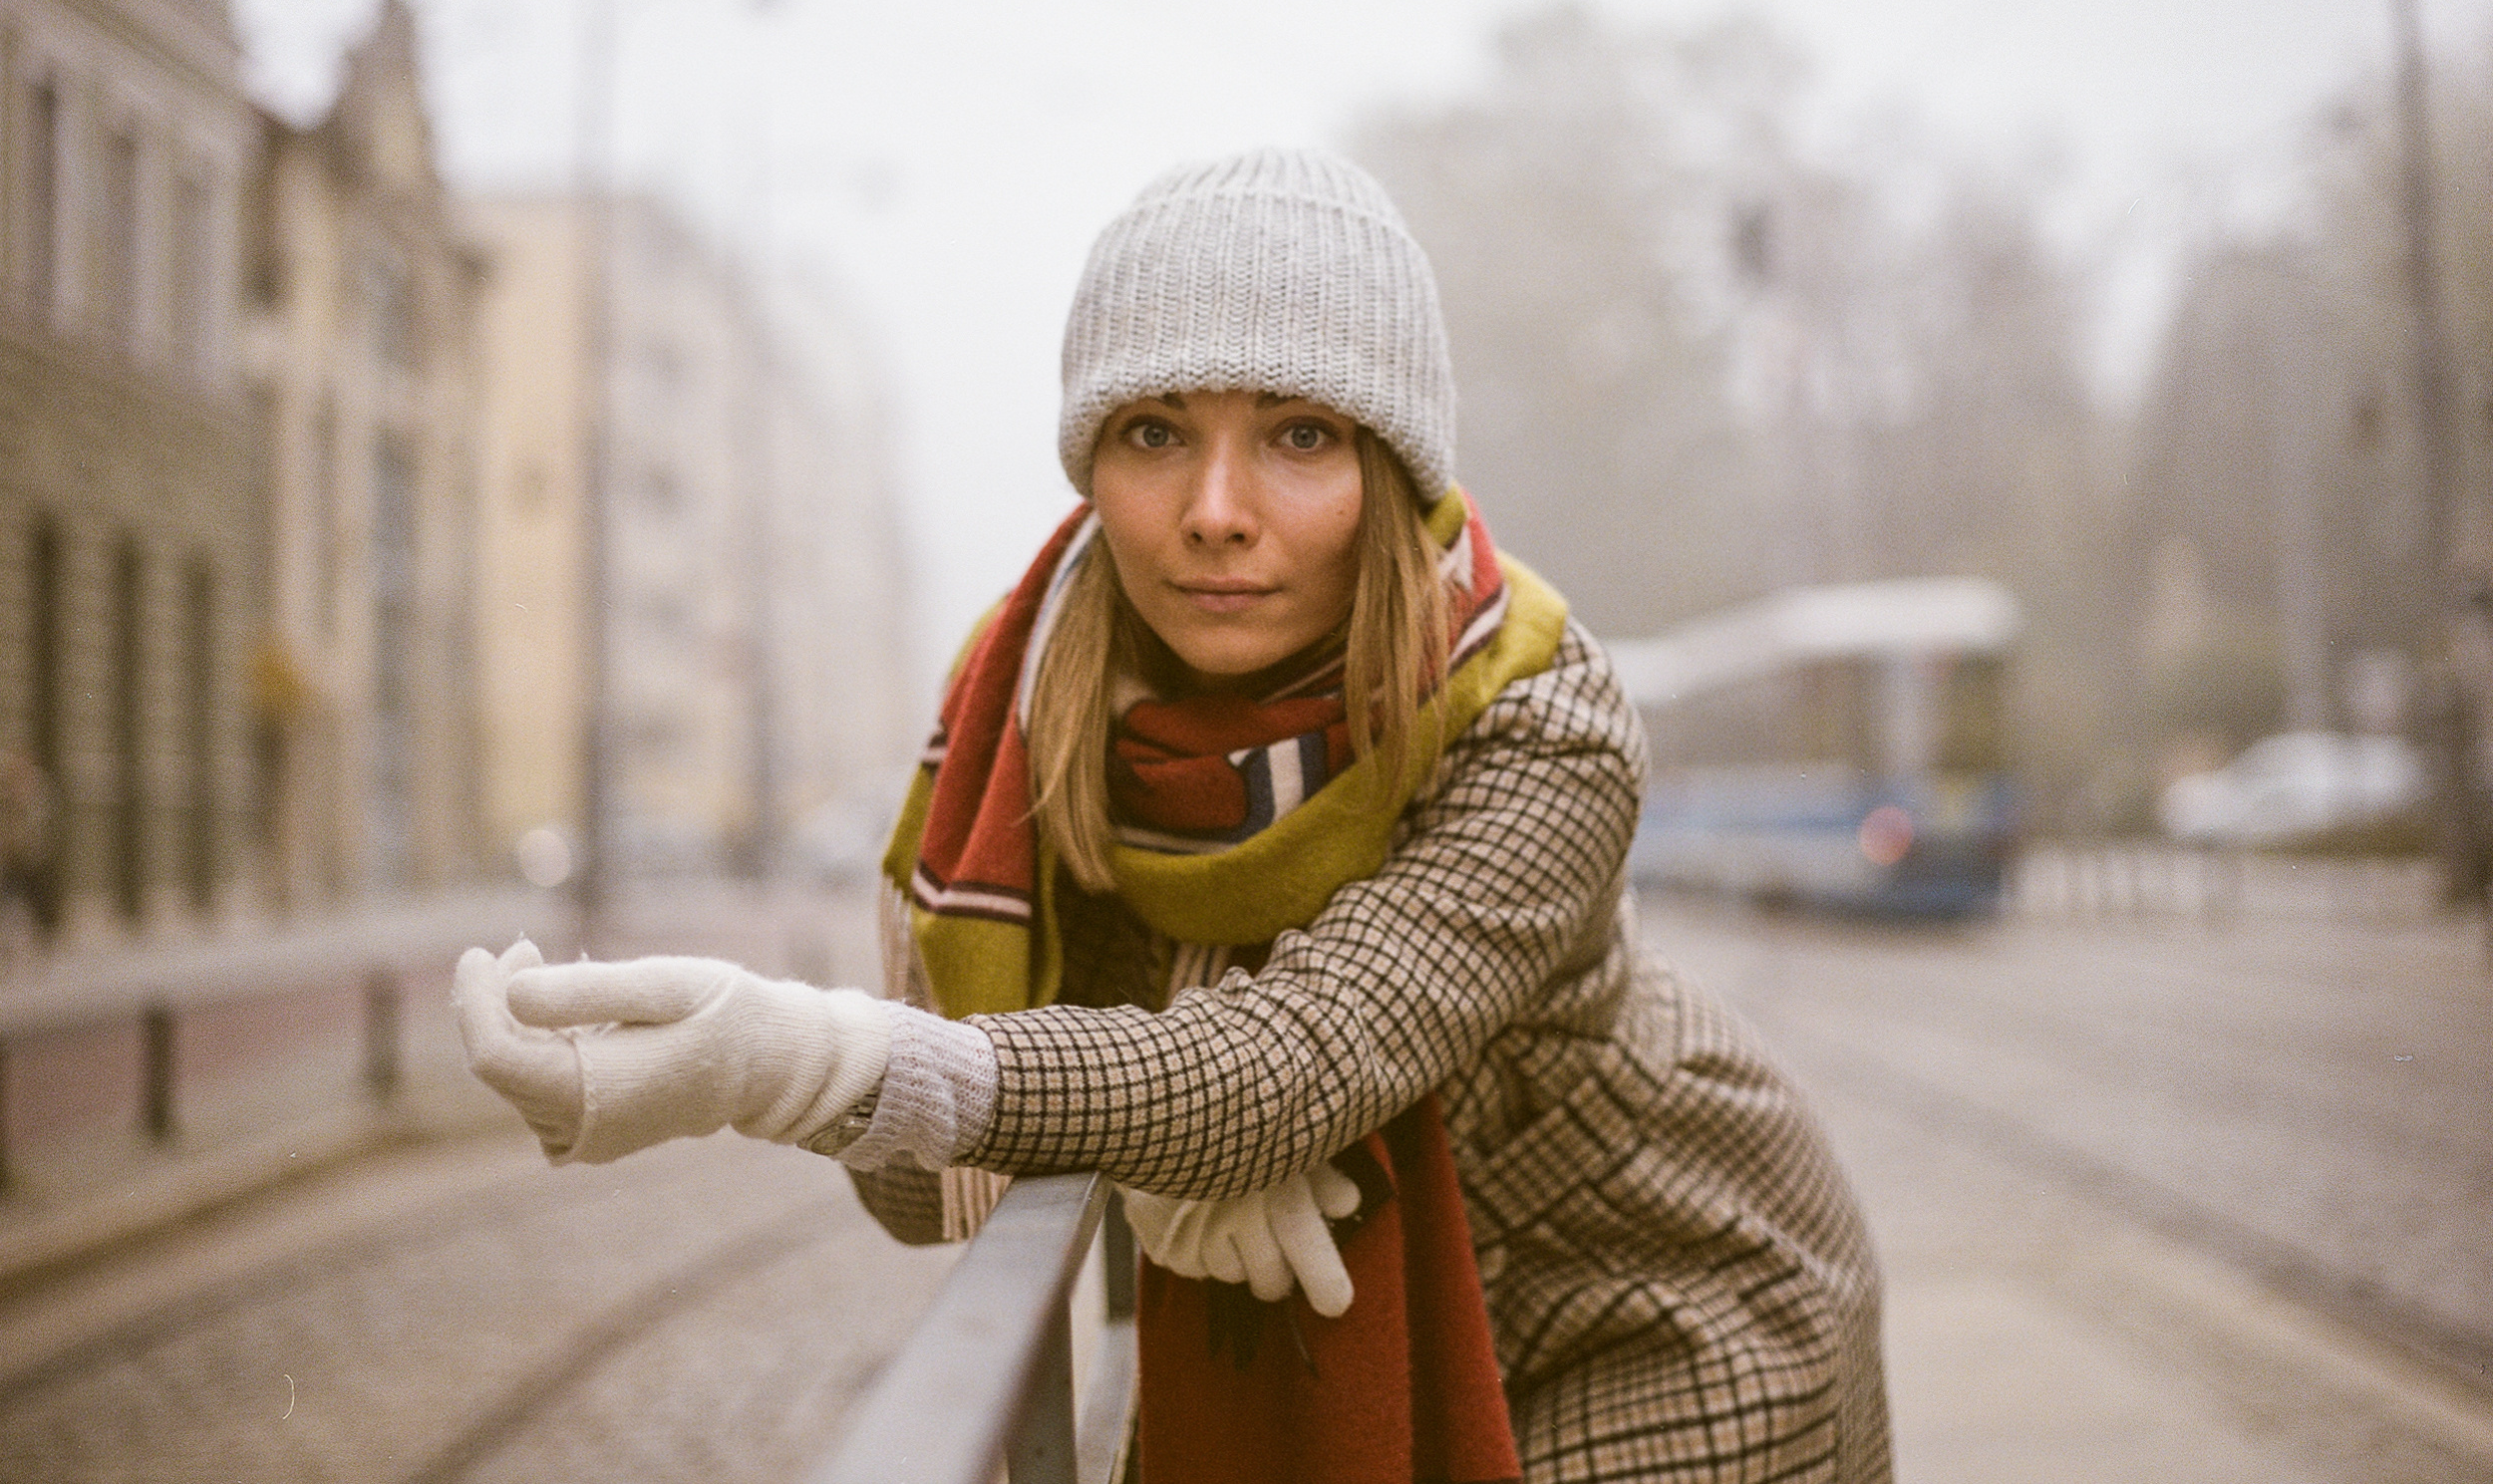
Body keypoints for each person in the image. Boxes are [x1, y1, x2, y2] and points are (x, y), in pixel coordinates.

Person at [456, 148, 1892, 1482]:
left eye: (1300, 435)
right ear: (1094, 466)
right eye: (1154, 430)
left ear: (1392, 474)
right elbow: (927, 1190)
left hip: (1665, 1305)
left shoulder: (1540, 722)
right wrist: (1140, 1157)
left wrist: (792, 1063)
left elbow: (1292, 1064)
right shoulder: (1017, 724)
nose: (1216, 509)